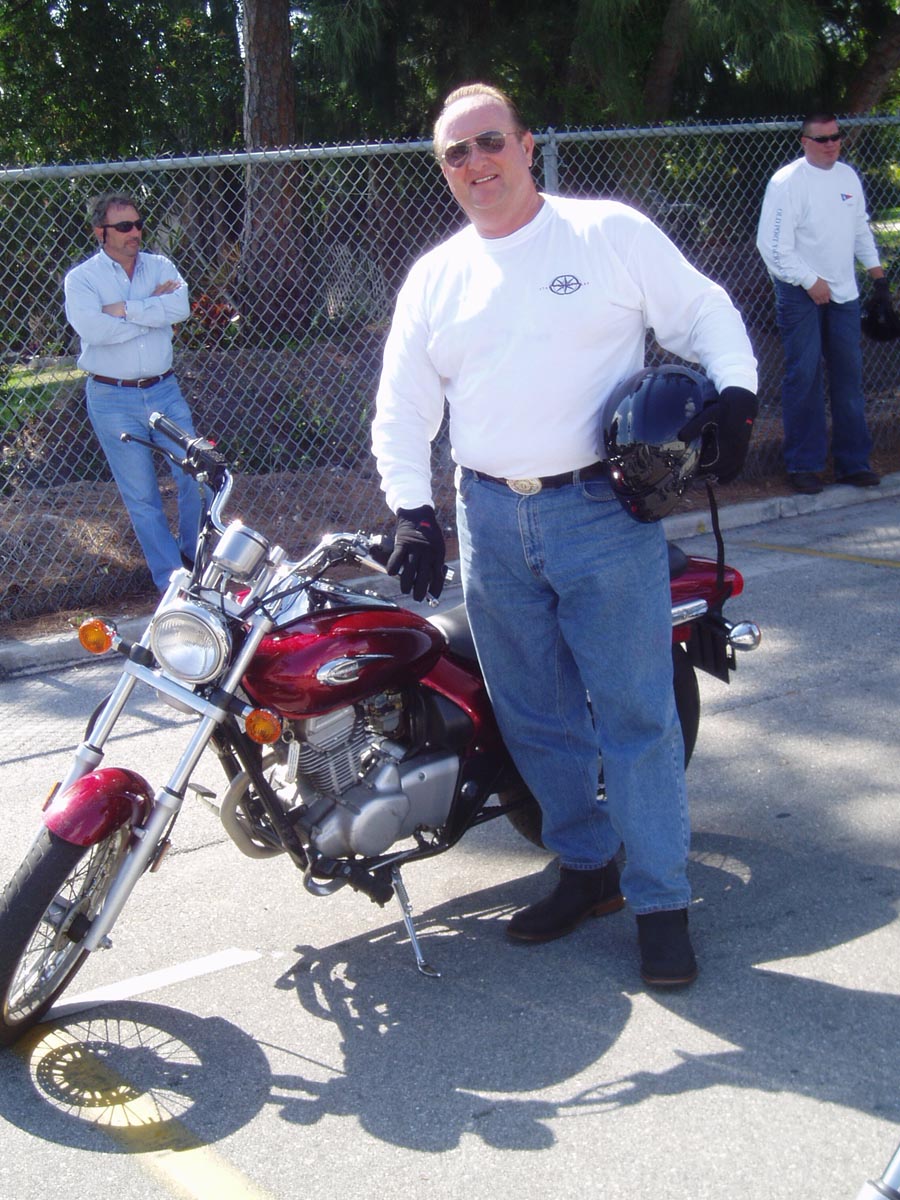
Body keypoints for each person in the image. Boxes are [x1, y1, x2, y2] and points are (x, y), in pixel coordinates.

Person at [372, 83, 758, 988]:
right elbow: (403, 404)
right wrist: (411, 509)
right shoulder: (437, 276)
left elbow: (705, 312)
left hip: (602, 513)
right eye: (456, 153)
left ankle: (662, 902)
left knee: (635, 716)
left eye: (490, 142)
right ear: (444, 171)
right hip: (489, 519)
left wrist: (737, 393)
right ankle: (588, 868)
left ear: (527, 144)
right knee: (535, 714)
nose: (476, 163)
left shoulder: (605, 234)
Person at [64, 192, 203, 592]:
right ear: (101, 232)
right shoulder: (82, 279)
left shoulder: (161, 266)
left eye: (138, 224)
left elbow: (180, 308)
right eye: (124, 226)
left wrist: (125, 308)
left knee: (197, 477)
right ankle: (173, 582)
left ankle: (195, 562)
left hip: (165, 391)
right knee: (142, 498)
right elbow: (94, 331)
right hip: (113, 399)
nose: (135, 232)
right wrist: (150, 310)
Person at [756, 111, 884, 495]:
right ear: (804, 142)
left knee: (849, 377)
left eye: (836, 137)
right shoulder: (788, 182)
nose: (831, 145)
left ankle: (853, 464)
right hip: (800, 292)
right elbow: (772, 246)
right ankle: (804, 464)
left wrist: (878, 278)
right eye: (822, 139)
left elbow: (859, 228)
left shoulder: (847, 177)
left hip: (843, 292)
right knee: (805, 375)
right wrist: (811, 282)